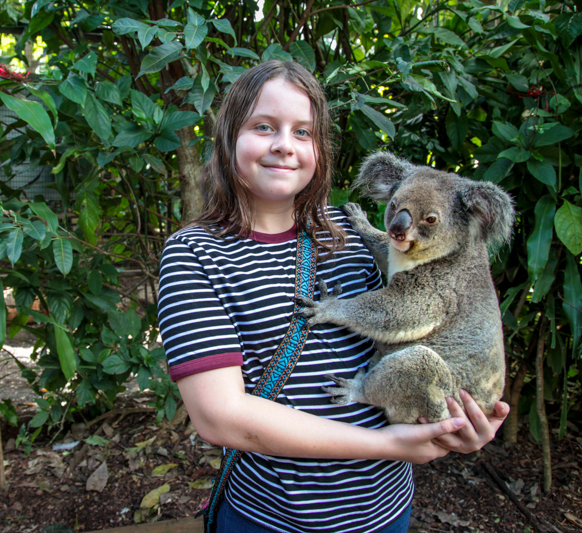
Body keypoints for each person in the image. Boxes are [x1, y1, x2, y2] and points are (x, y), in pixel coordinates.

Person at [157, 60, 509, 533]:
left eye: (303, 132)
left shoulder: (351, 230)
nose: (285, 144)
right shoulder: (194, 254)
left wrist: (454, 427)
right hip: (271, 518)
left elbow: (424, 325)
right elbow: (222, 418)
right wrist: (390, 445)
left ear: (319, 150)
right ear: (228, 137)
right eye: (264, 127)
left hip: (384, 510)